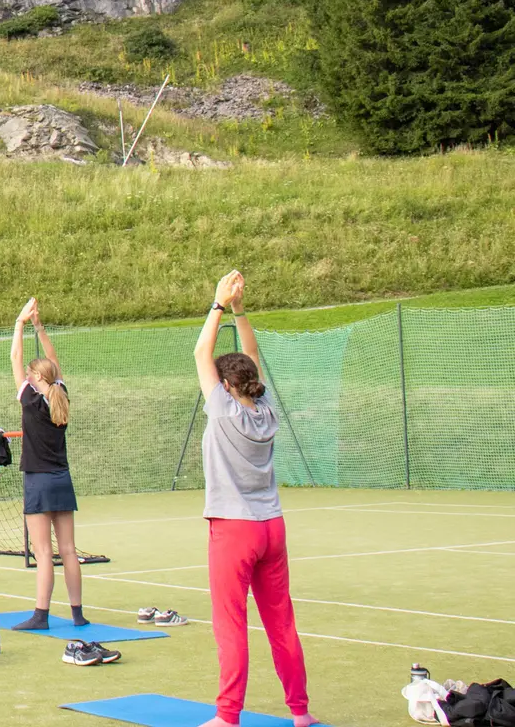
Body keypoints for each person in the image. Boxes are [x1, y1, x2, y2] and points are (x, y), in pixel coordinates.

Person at [196, 272, 316, 727]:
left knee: (231, 624)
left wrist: (218, 304)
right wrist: (241, 310)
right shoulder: (264, 408)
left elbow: (200, 353)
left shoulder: (224, 407)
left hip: (234, 529)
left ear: (226, 386)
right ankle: (300, 713)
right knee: (281, 623)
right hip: (272, 527)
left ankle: (228, 717)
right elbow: (252, 356)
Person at [9, 296, 87, 633]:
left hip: (39, 481)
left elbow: (15, 357)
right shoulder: (60, 395)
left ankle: (41, 614)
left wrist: (20, 324)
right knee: (68, 549)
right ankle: (77, 613)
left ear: (33, 379)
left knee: (43, 552)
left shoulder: (29, 400)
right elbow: (53, 362)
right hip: (62, 478)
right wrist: (39, 327)